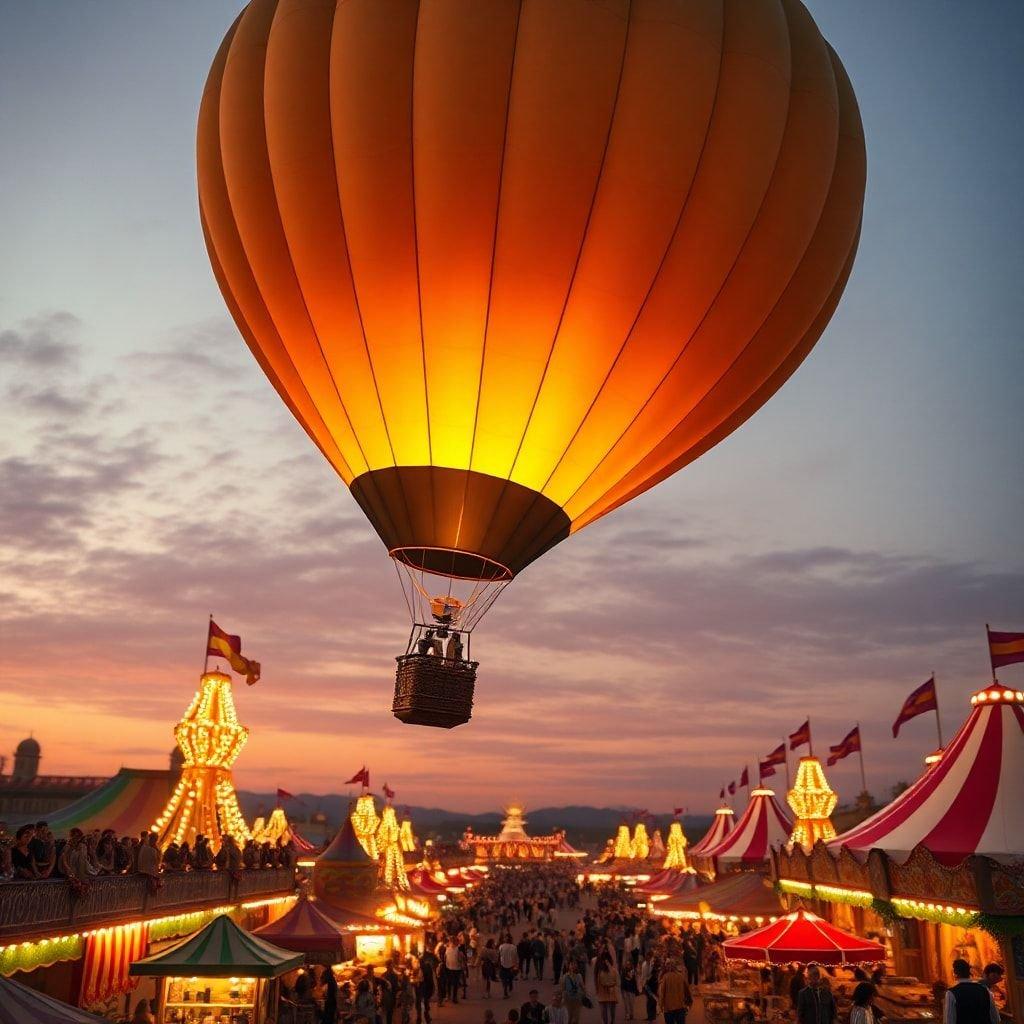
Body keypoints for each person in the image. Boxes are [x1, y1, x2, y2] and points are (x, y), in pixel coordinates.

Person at [944, 959, 999, 1024]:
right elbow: (995, 1018)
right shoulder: (985, 990)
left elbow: (949, 1021)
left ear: (955, 972)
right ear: (969, 971)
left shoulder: (951, 993)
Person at [657, 959, 693, 1024]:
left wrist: (660, 1006)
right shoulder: (681, 976)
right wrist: (689, 1002)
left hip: (668, 1009)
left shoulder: (665, 977)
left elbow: (662, 993)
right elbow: (687, 991)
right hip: (680, 1007)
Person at [597, 953, 622, 1024]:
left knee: (612, 1010)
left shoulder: (614, 971)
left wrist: (613, 986)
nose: (606, 963)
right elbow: (599, 982)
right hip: (603, 991)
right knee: (604, 1011)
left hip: (611, 991)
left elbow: (618, 982)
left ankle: (612, 1021)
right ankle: (607, 1022)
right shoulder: (601, 971)